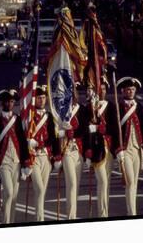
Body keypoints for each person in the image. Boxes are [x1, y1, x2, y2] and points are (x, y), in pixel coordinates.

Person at [0, 89, 31, 224]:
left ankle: (12, 222)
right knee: (9, 193)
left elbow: (23, 142)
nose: (10, 104)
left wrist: (25, 163)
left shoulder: (18, 120)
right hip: (4, 162)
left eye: (12, 101)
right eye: (7, 101)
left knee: (15, 196)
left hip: (17, 161)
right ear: (3, 103)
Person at [84, 77, 119, 217]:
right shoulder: (90, 107)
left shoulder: (111, 106)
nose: (102, 91)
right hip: (97, 150)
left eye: (104, 89)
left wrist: (118, 149)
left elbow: (115, 128)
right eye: (100, 89)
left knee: (106, 183)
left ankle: (104, 212)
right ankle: (103, 215)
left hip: (109, 149)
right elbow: (86, 131)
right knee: (102, 181)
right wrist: (87, 151)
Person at [116, 77, 143, 216]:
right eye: (128, 89)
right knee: (129, 181)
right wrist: (118, 149)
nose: (131, 92)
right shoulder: (117, 107)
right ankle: (132, 213)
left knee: (134, 183)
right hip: (125, 150)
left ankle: (131, 211)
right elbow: (114, 129)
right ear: (123, 91)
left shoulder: (139, 107)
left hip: (137, 149)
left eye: (133, 89)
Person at [26, 85, 60, 221]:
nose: (41, 100)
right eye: (39, 98)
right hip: (33, 157)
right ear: (35, 99)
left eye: (43, 98)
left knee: (41, 192)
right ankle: (41, 220)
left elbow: (54, 137)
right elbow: (24, 135)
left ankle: (39, 218)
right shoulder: (29, 116)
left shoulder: (49, 116)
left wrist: (57, 156)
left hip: (46, 156)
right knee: (39, 189)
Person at [55, 84, 87, 220]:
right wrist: (63, 133)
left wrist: (74, 133)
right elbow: (55, 132)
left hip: (78, 150)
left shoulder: (83, 109)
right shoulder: (60, 111)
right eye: (70, 93)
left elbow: (85, 130)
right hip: (66, 150)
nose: (73, 96)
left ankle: (72, 214)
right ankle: (71, 217)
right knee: (72, 183)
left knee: (76, 185)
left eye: (74, 93)